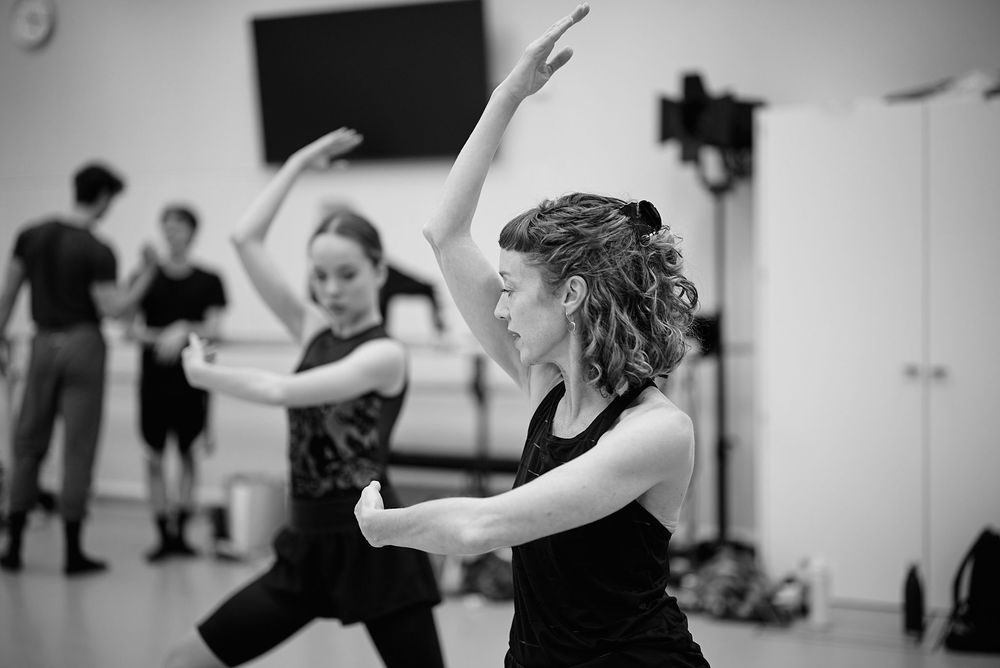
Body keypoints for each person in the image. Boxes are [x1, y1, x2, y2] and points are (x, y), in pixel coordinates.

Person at [355, 5, 710, 666]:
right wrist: (508, 95)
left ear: (571, 295)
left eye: (511, 288)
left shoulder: (657, 431)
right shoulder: (546, 385)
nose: (500, 308)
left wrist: (382, 528)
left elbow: (483, 526)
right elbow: (444, 234)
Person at [163, 129, 443, 668]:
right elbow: (245, 239)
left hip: (373, 546)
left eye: (347, 275)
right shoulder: (313, 329)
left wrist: (205, 374)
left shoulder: (385, 354)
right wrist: (297, 161)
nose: (331, 290)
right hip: (305, 545)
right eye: (320, 277)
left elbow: (280, 390)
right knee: (184, 662)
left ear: (380, 271)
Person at [0, 162, 158, 575]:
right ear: (103, 197)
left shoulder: (30, 234)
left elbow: (8, 293)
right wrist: (147, 275)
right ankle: (72, 552)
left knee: (27, 443)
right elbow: (115, 308)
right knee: (78, 448)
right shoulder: (96, 248)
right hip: (83, 345)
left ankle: (13, 546)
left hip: (41, 343)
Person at [126, 204, 227, 562]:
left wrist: (184, 329)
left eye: (179, 227)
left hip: (191, 383)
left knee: (188, 454)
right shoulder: (144, 277)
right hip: (153, 382)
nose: (172, 233)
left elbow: (214, 330)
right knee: (154, 457)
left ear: (192, 232)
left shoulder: (209, 280)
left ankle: (181, 533)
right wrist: (162, 337)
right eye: (166, 226)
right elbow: (130, 329)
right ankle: (162, 534)